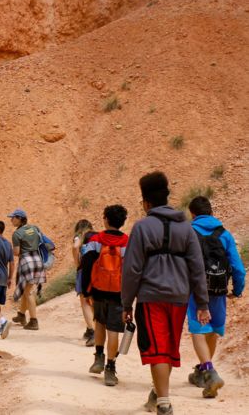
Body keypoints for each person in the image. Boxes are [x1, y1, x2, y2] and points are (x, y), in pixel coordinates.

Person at [122, 172, 210, 415]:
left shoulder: (141, 228)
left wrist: (126, 303)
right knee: (168, 347)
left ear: (146, 203)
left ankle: (163, 403)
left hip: (152, 297)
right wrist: (202, 303)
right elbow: (197, 268)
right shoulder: (187, 228)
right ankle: (159, 393)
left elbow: (132, 270)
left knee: (158, 348)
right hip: (180, 298)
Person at [185, 196, 245, 398]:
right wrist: (237, 290)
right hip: (219, 289)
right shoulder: (224, 234)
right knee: (212, 329)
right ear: (211, 212)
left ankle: (209, 371)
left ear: (192, 214)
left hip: (195, 290)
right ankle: (203, 371)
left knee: (197, 329)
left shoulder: (189, 232)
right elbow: (238, 268)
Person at [79, 205, 129, 387]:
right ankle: (110, 368)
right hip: (119, 293)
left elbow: (86, 264)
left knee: (99, 322)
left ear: (105, 219)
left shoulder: (95, 240)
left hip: (99, 290)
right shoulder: (127, 242)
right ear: (123, 222)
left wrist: (86, 290)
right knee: (113, 330)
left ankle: (98, 357)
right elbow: (132, 270)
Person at [8, 209, 45, 330]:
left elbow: (17, 252)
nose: (11, 220)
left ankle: (34, 321)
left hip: (26, 261)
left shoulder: (17, 234)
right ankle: (21, 315)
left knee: (28, 291)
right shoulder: (34, 228)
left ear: (19, 219)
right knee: (26, 289)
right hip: (37, 259)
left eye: (13, 218)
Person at [73, 219, 98, 346]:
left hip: (85, 271)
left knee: (85, 301)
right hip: (99, 271)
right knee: (94, 300)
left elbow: (75, 246)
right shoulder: (97, 235)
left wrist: (77, 264)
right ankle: (93, 329)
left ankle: (93, 332)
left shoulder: (80, 236)